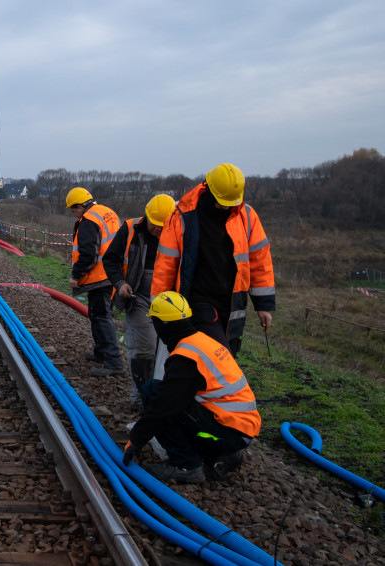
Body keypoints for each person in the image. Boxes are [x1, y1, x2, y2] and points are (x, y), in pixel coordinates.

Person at [122, 291, 261, 483]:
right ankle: (219, 456)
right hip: (239, 429)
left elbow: (164, 407)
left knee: (154, 394)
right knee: (170, 398)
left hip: (228, 432)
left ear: (162, 324)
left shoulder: (186, 358)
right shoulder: (202, 341)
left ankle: (185, 465)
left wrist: (136, 439)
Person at [151, 163, 275, 356]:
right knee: (218, 358)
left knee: (225, 358)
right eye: (221, 201)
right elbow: (165, 266)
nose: (226, 207)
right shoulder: (183, 217)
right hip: (199, 301)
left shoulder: (247, 216)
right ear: (208, 188)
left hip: (233, 304)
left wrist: (264, 305)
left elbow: (260, 261)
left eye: (230, 202)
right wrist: (158, 308)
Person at [103, 194, 176, 412]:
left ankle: (162, 398)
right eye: (156, 225)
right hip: (139, 297)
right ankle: (141, 398)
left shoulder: (178, 232)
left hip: (171, 301)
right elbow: (110, 259)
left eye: (164, 226)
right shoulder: (130, 229)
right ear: (147, 217)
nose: (159, 230)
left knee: (170, 351)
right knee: (144, 348)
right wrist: (120, 283)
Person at [66, 187, 125, 377]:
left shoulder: (88, 221)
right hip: (113, 272)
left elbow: (88, 254)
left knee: (101, 316)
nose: (73, 214)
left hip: (99, 276)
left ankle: (114, 361)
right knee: (97, 313)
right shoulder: (108, 213)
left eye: (73, 210)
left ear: (80, 206)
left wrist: (76, 276)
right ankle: (101, 352)